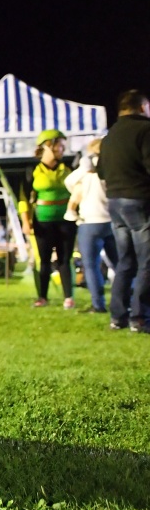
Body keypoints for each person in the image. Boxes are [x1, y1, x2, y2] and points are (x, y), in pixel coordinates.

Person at [97, 89, 150, 332]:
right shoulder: (145, 130)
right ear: (142, 107)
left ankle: (118, 316)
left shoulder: (110, 136)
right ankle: (139, 317)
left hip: (115, 202)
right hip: (140, 200)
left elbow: (101, 172)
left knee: (126, 261)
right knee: (147, 260)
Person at [21, 129, 77, 309]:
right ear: (47, 146)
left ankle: (68, 297)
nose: (62, 149)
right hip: (42, 221)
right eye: (59, 145)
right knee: (44, 260)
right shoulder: (32, 170)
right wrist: (25, 221)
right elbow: (24, 198)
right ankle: (42, 297)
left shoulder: (68, 168)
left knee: (64, 259)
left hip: (66, 220)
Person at [67, 139, 117, 315]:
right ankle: (126, 301)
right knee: (120, 264)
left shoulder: (84, 173)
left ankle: (98, 304)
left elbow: (69, 183)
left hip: (89, 222)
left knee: (91, 266)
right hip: (111, 220)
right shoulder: (112, 169)